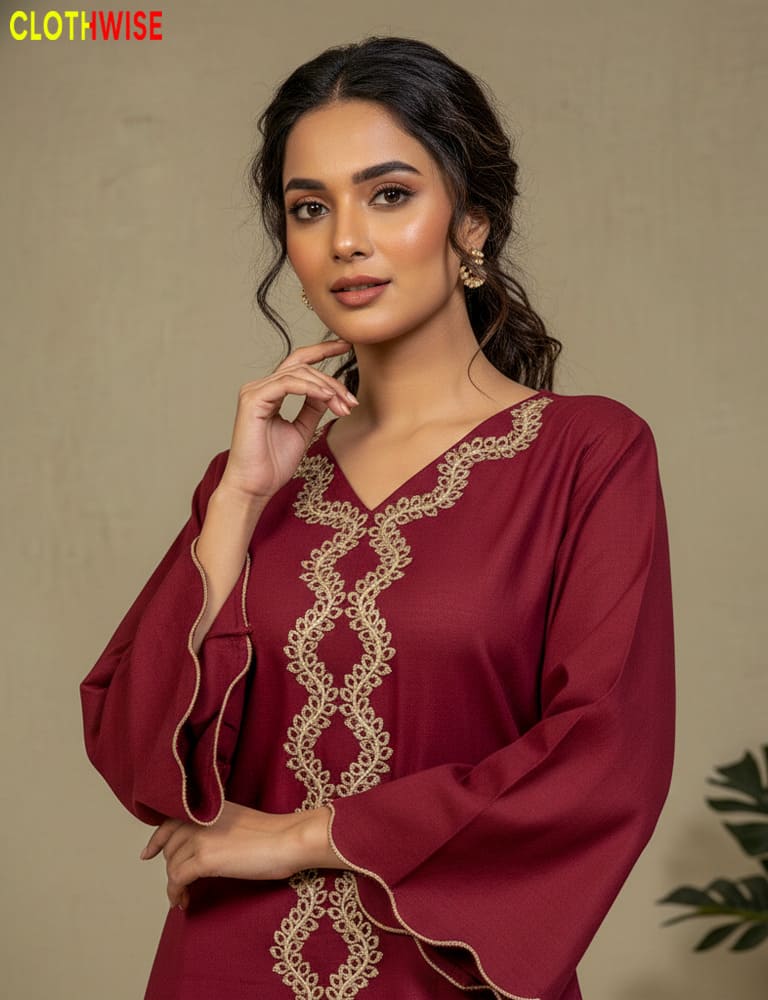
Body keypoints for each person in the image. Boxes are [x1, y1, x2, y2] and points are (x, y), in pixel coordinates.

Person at [80, 35, 675, 1000]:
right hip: (226, 970)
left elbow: (604, 753)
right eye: (309, 208)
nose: (343, 239)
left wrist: (301, 838)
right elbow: (142, 753)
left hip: (445, 976)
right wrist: (235, 503)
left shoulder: (586, 455)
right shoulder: (252, 478)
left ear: (473, 223)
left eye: (388, 194)